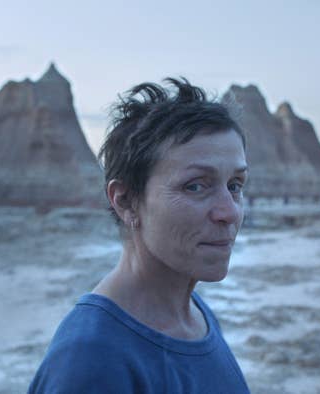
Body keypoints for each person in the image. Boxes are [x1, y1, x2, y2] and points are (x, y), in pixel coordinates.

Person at [28, 78, 250, 393]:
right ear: (126, 200)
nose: (229, 212)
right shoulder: (92, 361)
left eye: (235, 185)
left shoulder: (195, 315)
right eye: (195, 186)